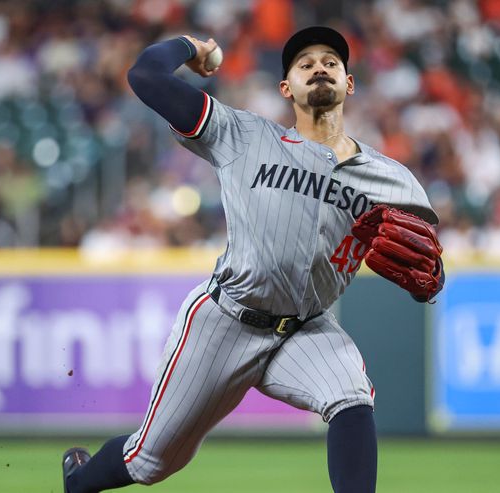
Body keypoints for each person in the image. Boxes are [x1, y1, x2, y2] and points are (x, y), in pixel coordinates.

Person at [61, 26, 444, 493]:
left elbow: (426, 257)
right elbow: (145, 77)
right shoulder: (242, 134)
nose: (319, 67)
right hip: (225, 321)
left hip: (307, 327)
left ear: (349, 83)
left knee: (351, 397)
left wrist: (432, 276)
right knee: (150, 462)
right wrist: (192, 46)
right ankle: (79, 482)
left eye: (331, 62)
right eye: (305, 64)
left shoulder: (393, 179)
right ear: (287, 89)